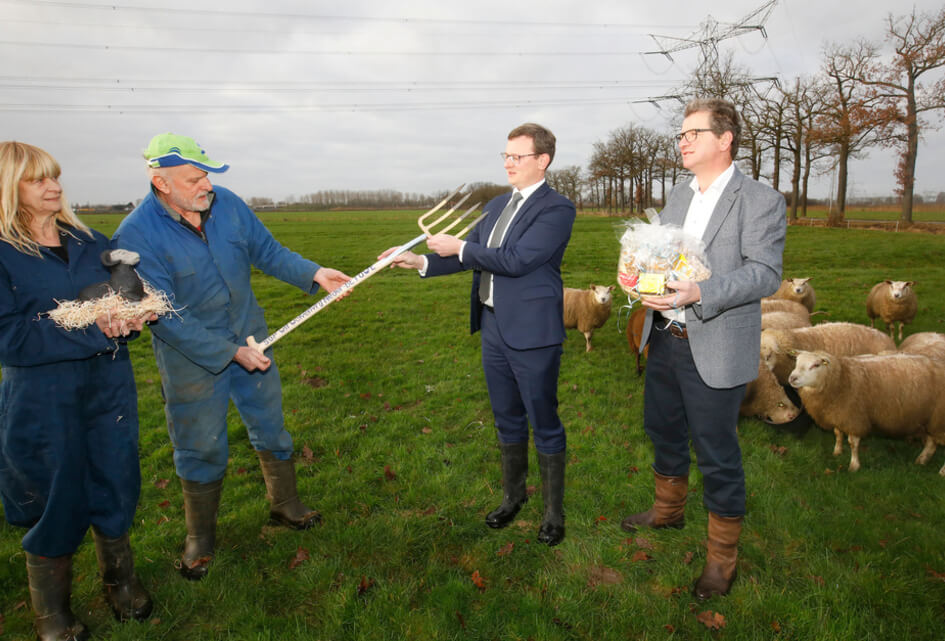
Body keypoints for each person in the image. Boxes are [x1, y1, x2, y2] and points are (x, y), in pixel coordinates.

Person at [113, 133, 351, 580]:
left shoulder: (229, 206)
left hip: (253, 338)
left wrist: (315, 273)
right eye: (195, 177)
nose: (206, 185)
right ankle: (200, 538)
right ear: (161, 183)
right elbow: (166, 318)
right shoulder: (136, 235)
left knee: (270, 423)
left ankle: (286, 505)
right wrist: (228, 353)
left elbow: (268, 252)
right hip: (192, 358)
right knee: (200, 444)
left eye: (207, 175)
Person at [380, 123, 576, 546]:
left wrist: (462, 248)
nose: (508, 163)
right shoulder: (496, 204)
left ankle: (553, 513)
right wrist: (420, 262)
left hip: (533, 334)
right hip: (494, 328)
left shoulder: (557, 209)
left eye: (517, 156)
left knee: (543, 421)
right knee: (506, 417)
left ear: (541, 160)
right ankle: (513, 497)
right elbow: (468, 257)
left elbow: (518, 259)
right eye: (505, 155)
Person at [622, 99, 786, 599]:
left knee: (716, 452)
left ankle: (721, 559)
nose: (682, 141)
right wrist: (637, 272)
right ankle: (668, 512)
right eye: (681, 134)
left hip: (715, 343)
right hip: (664, 338)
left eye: (693, 133)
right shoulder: (677, 194)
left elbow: (765, 272)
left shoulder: (760, 200)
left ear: (725, 138)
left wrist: (701, 292)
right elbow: (663, 253)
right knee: (663, 429)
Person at [0, 141, 153, 640]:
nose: (54, 186)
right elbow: (9, 336)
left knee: (115, 476)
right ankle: (53, 614)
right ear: (9, 188)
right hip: (44, 395)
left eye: (55, 176)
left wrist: (137, 311)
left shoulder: (89, 239)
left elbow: (125, 292)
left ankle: (121, 580)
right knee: (54, 491)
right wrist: (92, 328)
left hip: (108, 384)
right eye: (38, 179)